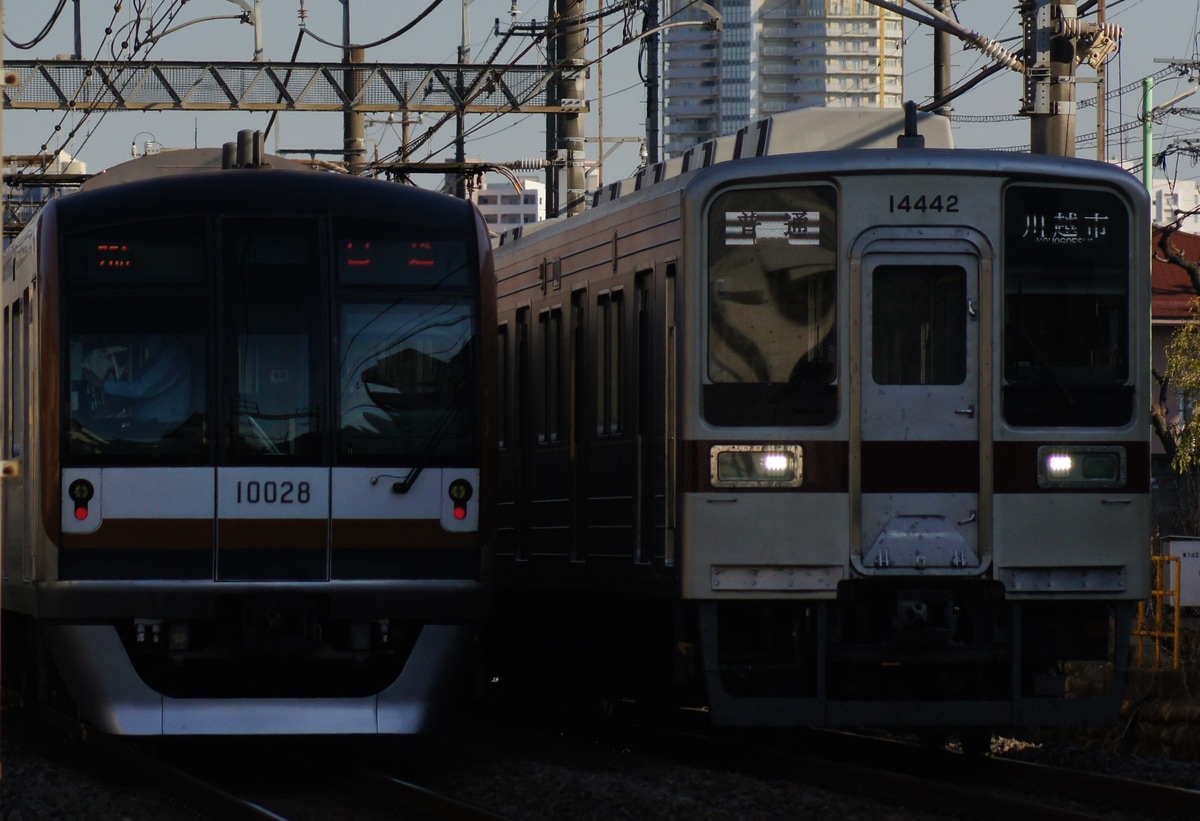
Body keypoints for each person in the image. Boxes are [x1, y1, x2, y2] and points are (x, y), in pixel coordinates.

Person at [83, 334, 192, 426]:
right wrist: (112, 406)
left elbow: (141, 389)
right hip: (150, 427)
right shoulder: (155, 360)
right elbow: (138, 392)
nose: (148, 344)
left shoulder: (173, 354)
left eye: (150, 339)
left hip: (163, 428)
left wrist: (102, 385)